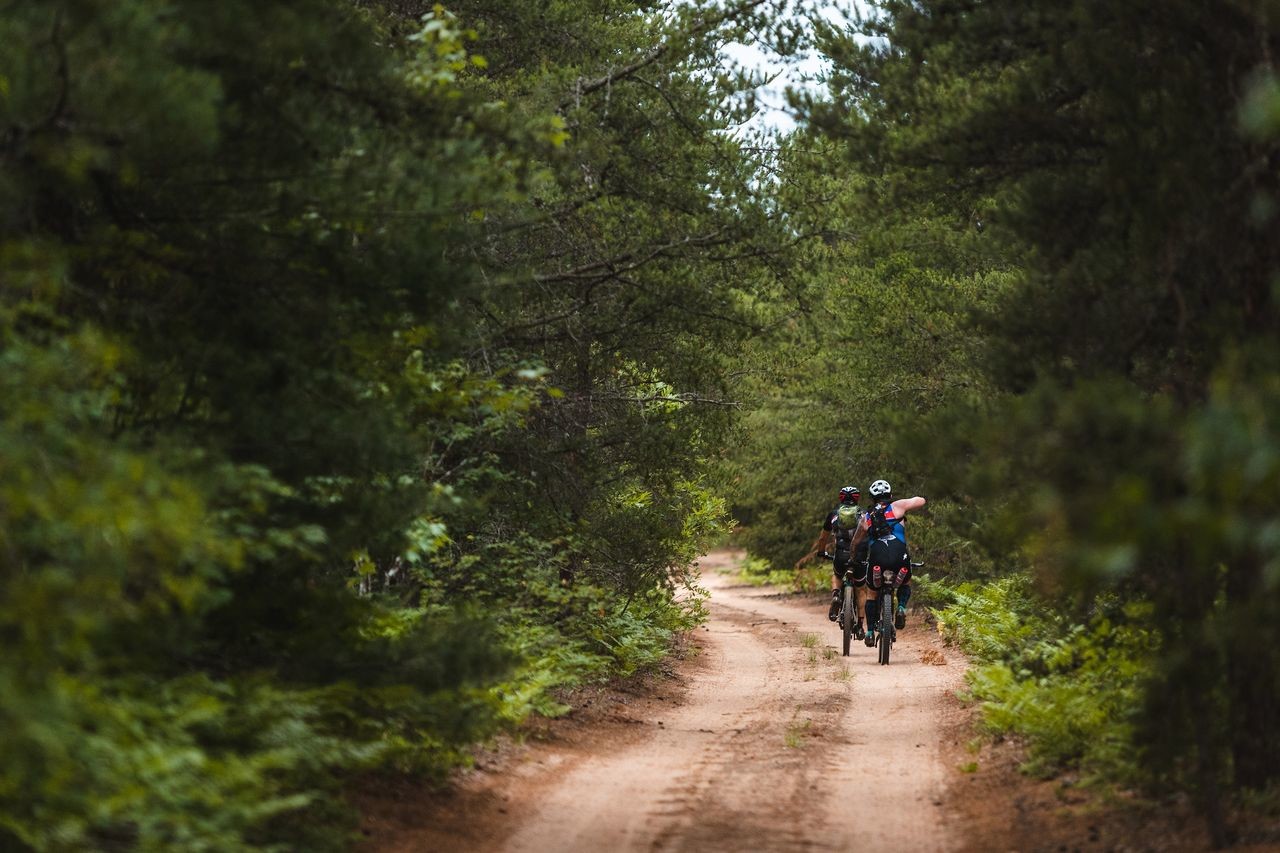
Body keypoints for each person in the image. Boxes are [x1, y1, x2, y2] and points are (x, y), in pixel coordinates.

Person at [848, 479, 926, 646]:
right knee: (906, 581)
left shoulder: (866, 518)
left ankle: (869, 632)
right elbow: (921, 501)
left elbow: (855, 543)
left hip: (877, 558)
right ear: (890, 495)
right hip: (899, 555)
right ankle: (901, 608)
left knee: (872, 593)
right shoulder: (898, 506)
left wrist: (853, 558)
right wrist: (913, 500)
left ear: (872, 498)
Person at [796, 485, 870, 636]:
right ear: (857, 498)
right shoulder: (864, 514)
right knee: (860, 589)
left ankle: (836, 594)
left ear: (841, 498)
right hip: (860, 556)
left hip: (841, 555)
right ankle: (861, 626)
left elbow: (823, 537)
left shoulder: (834, 515)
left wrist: (821, 551)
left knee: (837, 575)